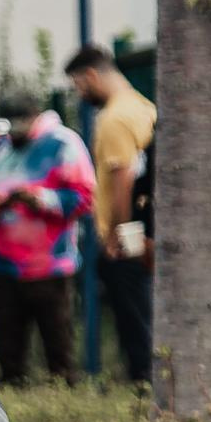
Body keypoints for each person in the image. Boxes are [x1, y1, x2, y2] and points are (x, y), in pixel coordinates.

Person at [0, 97, 97, 385]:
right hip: (3, 262)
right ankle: (12, 384)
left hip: (51, 265)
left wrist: (42, 199)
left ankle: (63, 390)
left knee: (58, 341)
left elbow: (85, 196)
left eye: (18, 129)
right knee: (8, 342)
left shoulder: (63, 144)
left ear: (33, 120)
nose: (12, 136)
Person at [66, 40, 157, 387]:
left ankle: (142, 385)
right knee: (146, 312)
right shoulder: (143, 107)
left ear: (91, 75)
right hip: (146, 231)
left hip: (128, 238)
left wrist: (119, 235)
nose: (79, 92)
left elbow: (123, 176)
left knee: (134, 320)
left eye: (78, 84)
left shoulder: (114, 118)